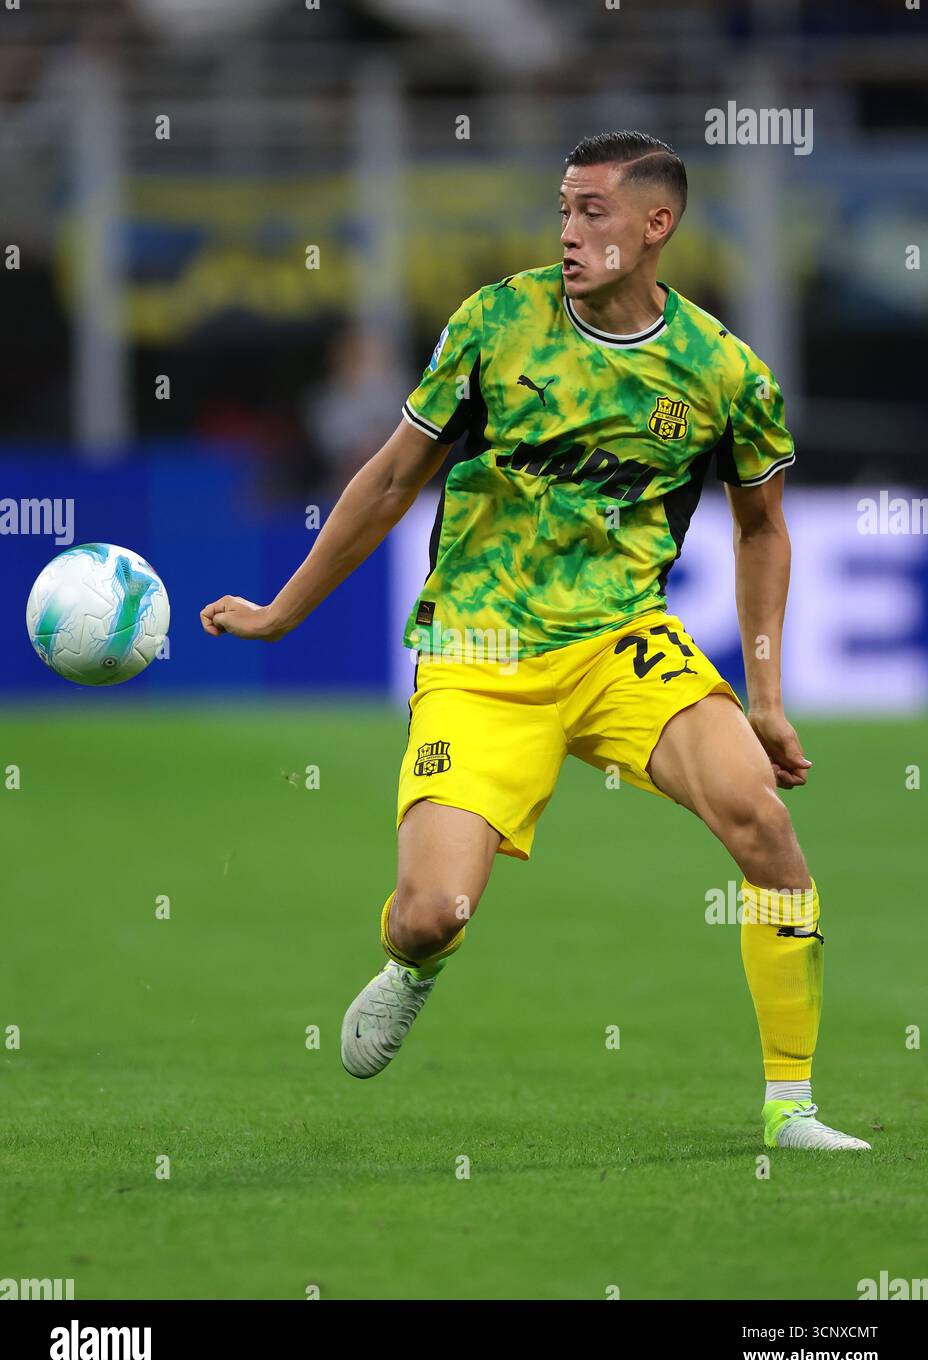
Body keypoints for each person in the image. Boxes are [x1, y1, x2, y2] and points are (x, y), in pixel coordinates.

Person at [200, 130, 870, 1152]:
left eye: (591, 211)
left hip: (620, 643)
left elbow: (761, 526)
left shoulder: (721, 371)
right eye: (561, 208)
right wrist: (283, 610)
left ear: (656, 225)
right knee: (430, 911)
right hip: (479, 649)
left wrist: (765, 696)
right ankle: (412, 966)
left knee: (762, 822)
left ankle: (791, 1105)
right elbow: (389, 480)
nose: (566, 230)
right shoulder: (496, 323)